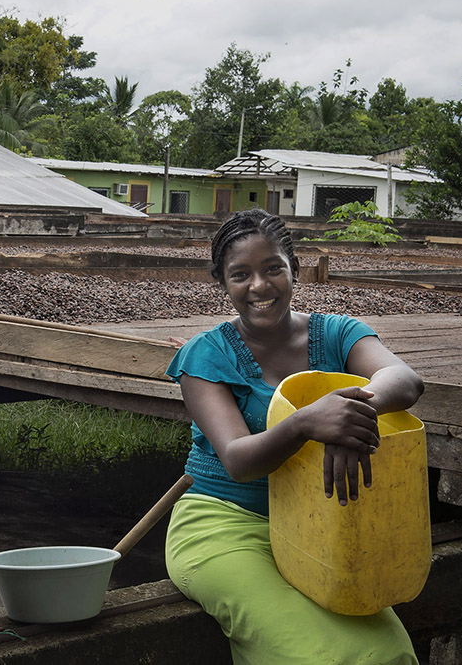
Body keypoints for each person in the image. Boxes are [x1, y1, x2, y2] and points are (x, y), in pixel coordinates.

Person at [164, 208, 424, 665]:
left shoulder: (336, 333)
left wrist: (350, 413)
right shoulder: (205, 355)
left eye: (273, 269)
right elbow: (239, 460)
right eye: (240, 274)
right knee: (314, 656)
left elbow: (403, 379)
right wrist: (307, 423)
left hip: (322, 529)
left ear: (295, 270)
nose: (259, 286)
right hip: (224, 527)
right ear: (222, 283)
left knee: (390, 654)